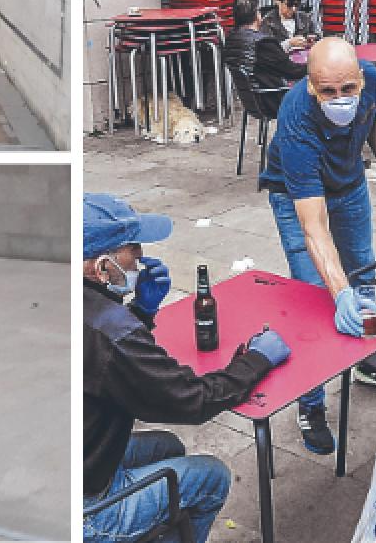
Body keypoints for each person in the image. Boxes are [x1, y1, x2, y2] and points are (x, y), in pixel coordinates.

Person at [83, 193, 292, 543]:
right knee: (211, 476)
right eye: (132, 249)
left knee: (168, 447)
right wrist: (257, 359)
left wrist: (142, 311)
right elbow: (191, 399)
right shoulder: (114, 332)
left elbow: (101, 362)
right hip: (87, 505)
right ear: (103, 267)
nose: (140, 258)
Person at [258, 38, 376, 453]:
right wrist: (338, 291)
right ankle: (310, 403)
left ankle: (370, 363)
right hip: (294, 190)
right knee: (312, 293)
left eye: (347, 89)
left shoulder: (370, 78)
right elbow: (314, 228)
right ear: (311, 86)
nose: (340, 98)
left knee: (364, 271)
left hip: (348, 181)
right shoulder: (295, 120)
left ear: (358, 79)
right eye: (328, 91)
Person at [224, 0, 307, 91]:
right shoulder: (264, 43)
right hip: (273, 98)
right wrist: (313, 65)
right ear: (257, 15)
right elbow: (293, 71)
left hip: (252, 99)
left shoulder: (231, 39)